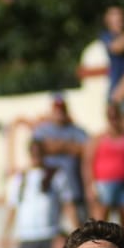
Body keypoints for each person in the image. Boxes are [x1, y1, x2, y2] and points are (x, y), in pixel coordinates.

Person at [4, 139, 73, 248]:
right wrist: (6, 233)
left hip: (50, 233)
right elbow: (13, 207)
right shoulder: (20, 178)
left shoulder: (56, 175)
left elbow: (67, 203)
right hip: (27, 235)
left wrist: (75, 226)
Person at [31, 93, 90, 223]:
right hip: (51, 192)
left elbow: (86, 150)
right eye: (56, 109)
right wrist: (69, 147)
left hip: (74, 190)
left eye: (62, 109)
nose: (59, 113)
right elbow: (38, 148)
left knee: (79, 228)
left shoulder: (76, 130)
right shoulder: (42, 130)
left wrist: (57, 146)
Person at [83, 102, 124, 233]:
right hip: (104, 184)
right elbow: (88, 162)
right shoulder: (98, 138)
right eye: (110, 116)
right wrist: (89, 186)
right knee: (100, 222)